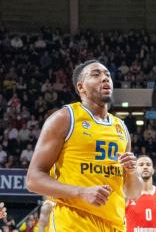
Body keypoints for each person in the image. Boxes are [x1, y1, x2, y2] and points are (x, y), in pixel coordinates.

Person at [26, 60, 143, 232]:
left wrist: (132, 172)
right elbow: (33, 179)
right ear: (81, 87)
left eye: (108, 75)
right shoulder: (65, 118)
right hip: (73, 224)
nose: (105, 78)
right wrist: (81, 192)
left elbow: (133, 193)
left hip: (115, 225)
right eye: (96, 75)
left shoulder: (121, 127)